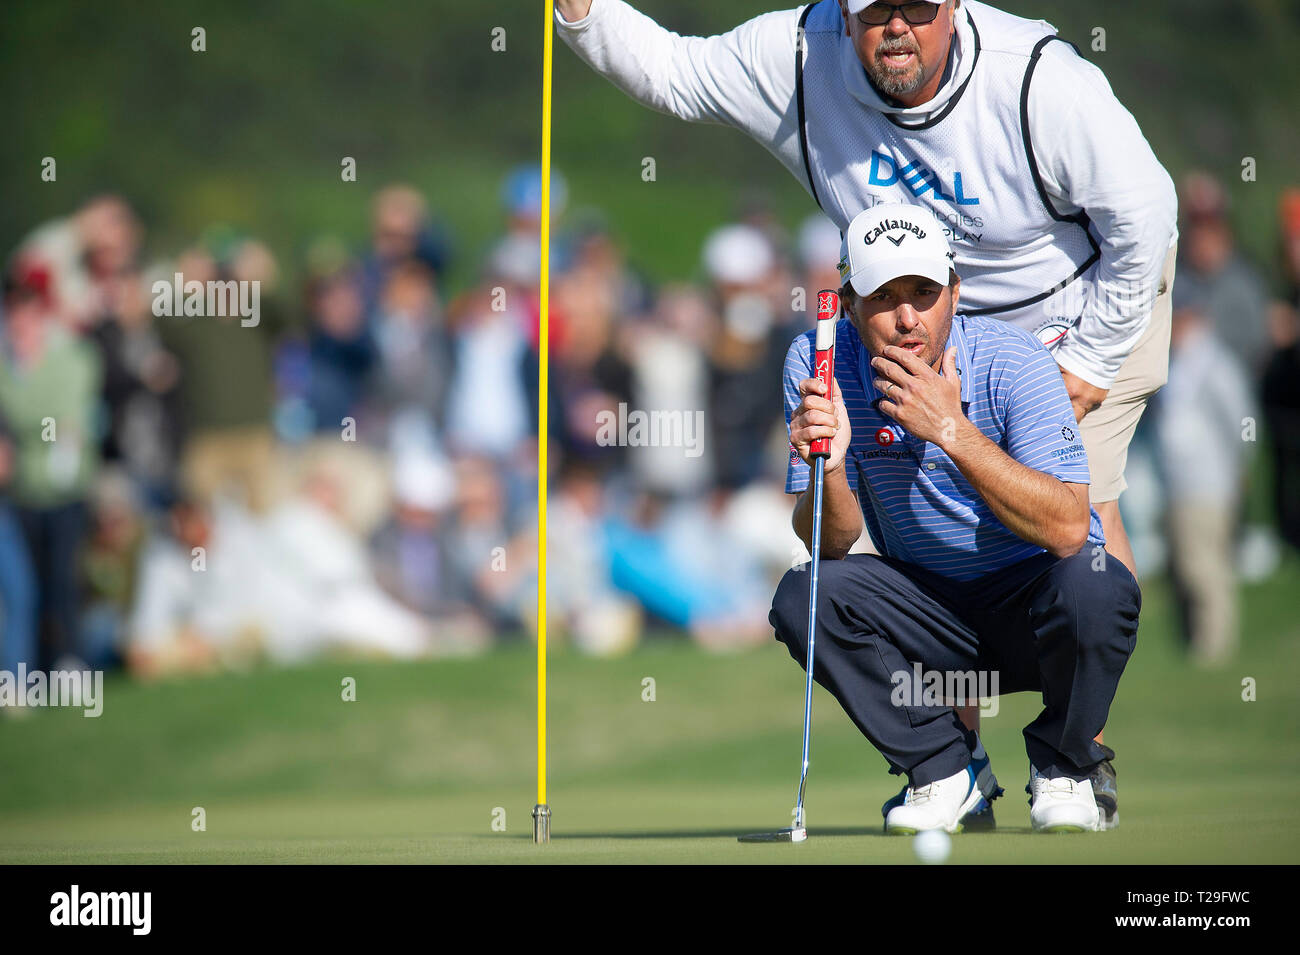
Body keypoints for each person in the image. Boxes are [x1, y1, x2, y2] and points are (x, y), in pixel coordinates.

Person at [555, 0, 1176, 824]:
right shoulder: (799, 56)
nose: (895, 26)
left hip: (1087, 290)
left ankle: (1072, 760)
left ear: (952, 8)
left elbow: (1146, 212)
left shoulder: (1038, 79)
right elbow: (672, 70)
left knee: (1081, 512)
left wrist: (1089, 364)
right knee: (933, 531)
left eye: (917, 8)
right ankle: (953, 770)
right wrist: (582, 14)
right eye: (873, 9)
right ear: (844, 15)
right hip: (905, 306)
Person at [773, 203, 1138, 832]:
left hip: (1034, 609)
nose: (909, 317)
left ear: (955, 293)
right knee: (807, 592)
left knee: (1095, 578)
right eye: (884, 296)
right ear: (850, 304)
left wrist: (952, 429)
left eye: (924, 292)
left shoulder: (1013, 362)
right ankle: (945, 770)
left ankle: (1065, 765)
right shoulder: (817, 364)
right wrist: (829, 469)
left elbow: (1069, 528)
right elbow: (829, 544)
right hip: (928, 614)